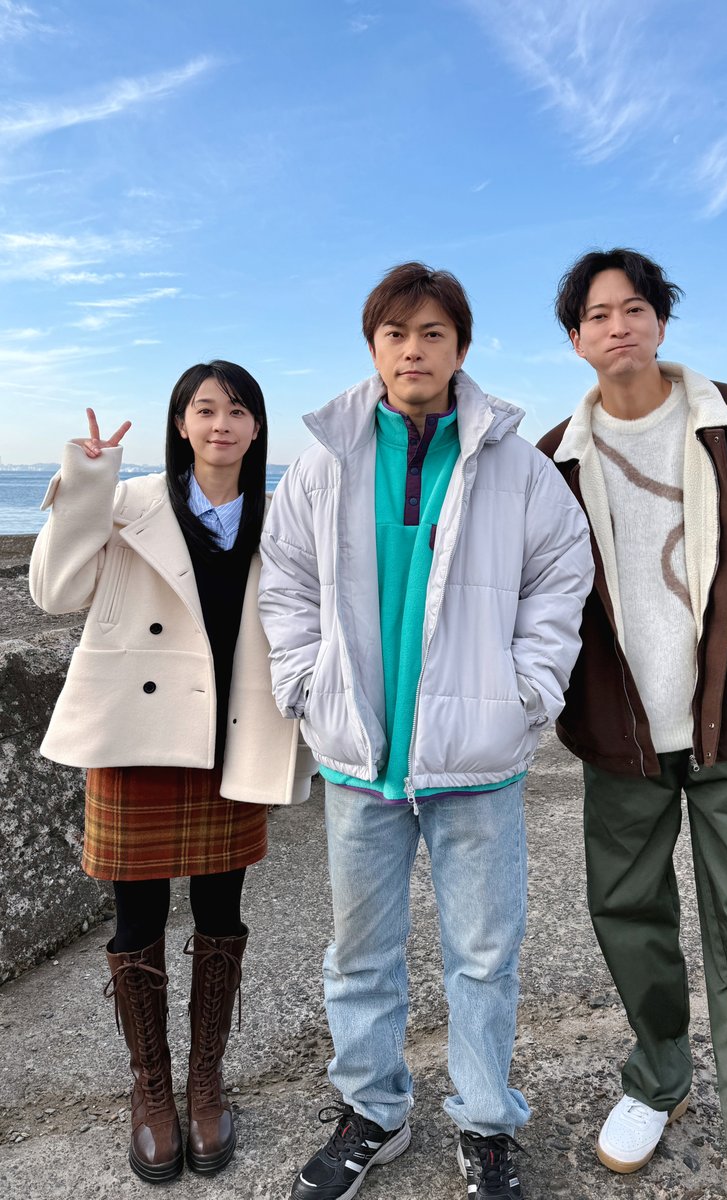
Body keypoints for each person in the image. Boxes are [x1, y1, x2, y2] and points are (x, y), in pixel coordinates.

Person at [258, 262, 593, 1200]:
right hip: (360, 753)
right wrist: (304, 683)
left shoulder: (516, 464)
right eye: (396, 333)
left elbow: (560, 576)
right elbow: (284, 581)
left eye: (433, 333)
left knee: (483, 957)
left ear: (461, 348)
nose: (414, 349)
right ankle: (374, 1110)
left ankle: (486, 1125)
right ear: (373, 347)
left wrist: (529, 691)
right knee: (358, 955)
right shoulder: (323, 461)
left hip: (477, 760)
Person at [536, 248, 727, 1199]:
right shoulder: (554, 458)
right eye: (597, 315)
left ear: (661, 321)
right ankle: (658, 1075)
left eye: (635, 308)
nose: (617, 326)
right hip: (620, 733)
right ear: (575, 339)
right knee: (627, 916)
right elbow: (532, 586)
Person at [30, 362, 314, 1184]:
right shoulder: (128, 503)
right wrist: (87, 484)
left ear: (257, 428)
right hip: (139, 736)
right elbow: (52, 591)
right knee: (137, 915)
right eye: (205, 409)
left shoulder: (281, 515)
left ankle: (205, 1082)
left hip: (235, 734)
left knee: (222, 913)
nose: (221, 423)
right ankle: (151, 1088)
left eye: (238, 410)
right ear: (181, 424)